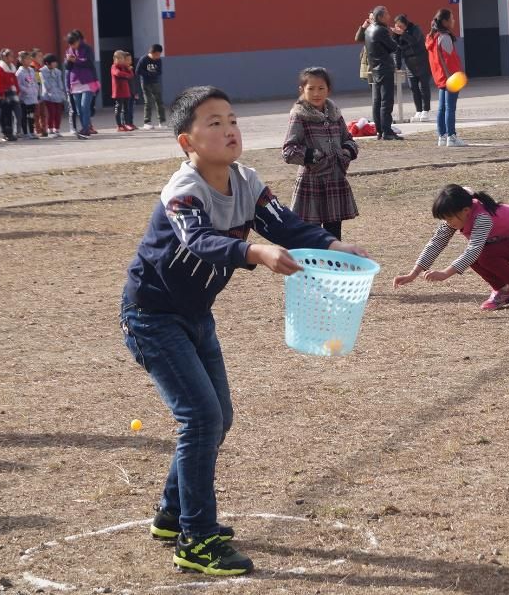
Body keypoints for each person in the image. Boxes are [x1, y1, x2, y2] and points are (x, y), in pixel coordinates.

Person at [121, 85, 368, 577]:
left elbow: (289, 227)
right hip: (152, 317)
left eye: (231, 118)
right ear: (186, 143)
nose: (229, 128)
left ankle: (173, 514)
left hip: (195, 316)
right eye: (212, 122)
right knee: (200, 419)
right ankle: (197, 541)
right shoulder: (183, 191)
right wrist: (255, 252)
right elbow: (201, 242)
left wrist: (335, 244)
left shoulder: (247, 182)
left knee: (218, 418)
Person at [394, 185, 509, 315]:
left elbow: (474, 250)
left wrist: (446, 273)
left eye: (449, 218)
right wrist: (413, 274)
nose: (447, 223)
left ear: (465, 211)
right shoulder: (456, 215)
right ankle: (504, 290)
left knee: (483, 255)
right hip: (505, 241)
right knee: (478, 256)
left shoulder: (482, 217)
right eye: (444, 219)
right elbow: (436, 243)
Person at [281, 67, 358, 240]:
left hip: (335, 181)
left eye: (321, 88)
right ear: (302, 90)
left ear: (328, 90)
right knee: (312, 236)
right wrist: (314, 157)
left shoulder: (335, 113)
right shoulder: (299, 115)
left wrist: (346, 152)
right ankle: (313, 266)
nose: (316, 93)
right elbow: (288, 150)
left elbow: (349, 139)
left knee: (334, 236)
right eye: (311, 88)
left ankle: (334, 266)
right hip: (311, 183)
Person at [361, 6, 402, 141]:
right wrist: (396, 35)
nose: (389, 17)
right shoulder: (382, 30)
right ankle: (387, 131)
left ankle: (379, 130)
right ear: (380, 17)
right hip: (384, 69)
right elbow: (393, 47)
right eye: (387, 15)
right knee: (386, 102)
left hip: (375, 69)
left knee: (377, 101)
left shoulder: (368, 30)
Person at [427, 9, 467, 147]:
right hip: (450, 77)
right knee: (450, 108)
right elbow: (450, 60)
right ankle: (451, 136)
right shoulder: (445, 37)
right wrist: (457, 76)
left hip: (440, 77)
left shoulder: (433, 37)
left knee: (442, 108)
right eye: (452, 18)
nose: (454, 21)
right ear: (445, 22)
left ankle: (442, 136)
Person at [393, 14, 432, 123]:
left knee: (423, 87)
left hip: (422, 62)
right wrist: (397, 66)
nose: (398, 28)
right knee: (413, 88)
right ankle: (418, 110)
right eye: (397, 26)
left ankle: (425, 110)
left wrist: (403, 34)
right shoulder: (396, 35)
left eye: (401, 26)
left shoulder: (415, 29)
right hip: (410, 64)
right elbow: (397, 51)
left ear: (406, 24)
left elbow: (414, 41)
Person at [65, 29, 100, 140]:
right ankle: (85, 128)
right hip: (75, 82)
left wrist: (76, 60)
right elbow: (68, 68)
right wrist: (68, 61)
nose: (72, 46)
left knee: (85, 106)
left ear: (78, 40)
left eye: (74, 43)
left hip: (87, 81)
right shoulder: (69, 50)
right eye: (70, 44)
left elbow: (89, 63)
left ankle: (85, 128)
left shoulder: (87, 48)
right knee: (79, 109)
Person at [0, 48, 20, 142]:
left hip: (12, 93)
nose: (13, 57)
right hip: (4, 94)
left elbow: (15, 80)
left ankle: (10, 132)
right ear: (4, 57)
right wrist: (1, 93)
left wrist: (17, 90)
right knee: (5, 114)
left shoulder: (12, 67)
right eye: (11, 55)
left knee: (11, 114)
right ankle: (6, 133)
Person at [138, 43, 166, 129]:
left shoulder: (158, 60)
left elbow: (159, 72)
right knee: (148, 102)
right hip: (146, 83)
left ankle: (162, 122)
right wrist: (149, 74)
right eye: (157, 54)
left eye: (159, 55)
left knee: (159, 102)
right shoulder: (143, 59)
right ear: (153, 52)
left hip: (155, 83)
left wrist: (154, 74)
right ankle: (147, 122)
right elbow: (138, 71)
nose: (158, 56)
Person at [40, 54, 67, 137]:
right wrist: (50, 91)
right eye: (53, 62)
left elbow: (60, 83)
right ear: (47, 63)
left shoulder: (58, 71)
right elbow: (45, 83)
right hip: (48, 96)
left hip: (58, 95)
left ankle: (57, 129)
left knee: (58, 113)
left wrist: (61, 91)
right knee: (51, 112)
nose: (55, 64)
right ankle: (50, 129)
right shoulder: (42, 71)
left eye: (56, 62)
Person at [16, 51, 41, 139]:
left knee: (31, 115)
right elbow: (18, 85)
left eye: (29, 58)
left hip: (32, 96)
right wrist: (26, 90)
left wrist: (36, 89)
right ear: (22, 61)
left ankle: (31, 131)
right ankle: (25, 133)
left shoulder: (31, 70)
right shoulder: (19, 72)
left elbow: (34, 81)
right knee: (25, 115)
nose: (29, 60)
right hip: (24, 98)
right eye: (26, 59)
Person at [112, 50, 135, 132]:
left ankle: (126, 124)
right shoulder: (114, 67)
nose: (122, 60)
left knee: (126, 109)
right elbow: (118, 73)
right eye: (120, 58)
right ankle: (119, 125)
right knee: (118, 108)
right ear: (115, 59)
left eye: (123, 59)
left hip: (126, 92)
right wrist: (127, 75)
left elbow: (131, 75)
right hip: (118, 92)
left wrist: (129, 70)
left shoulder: (124, 67)